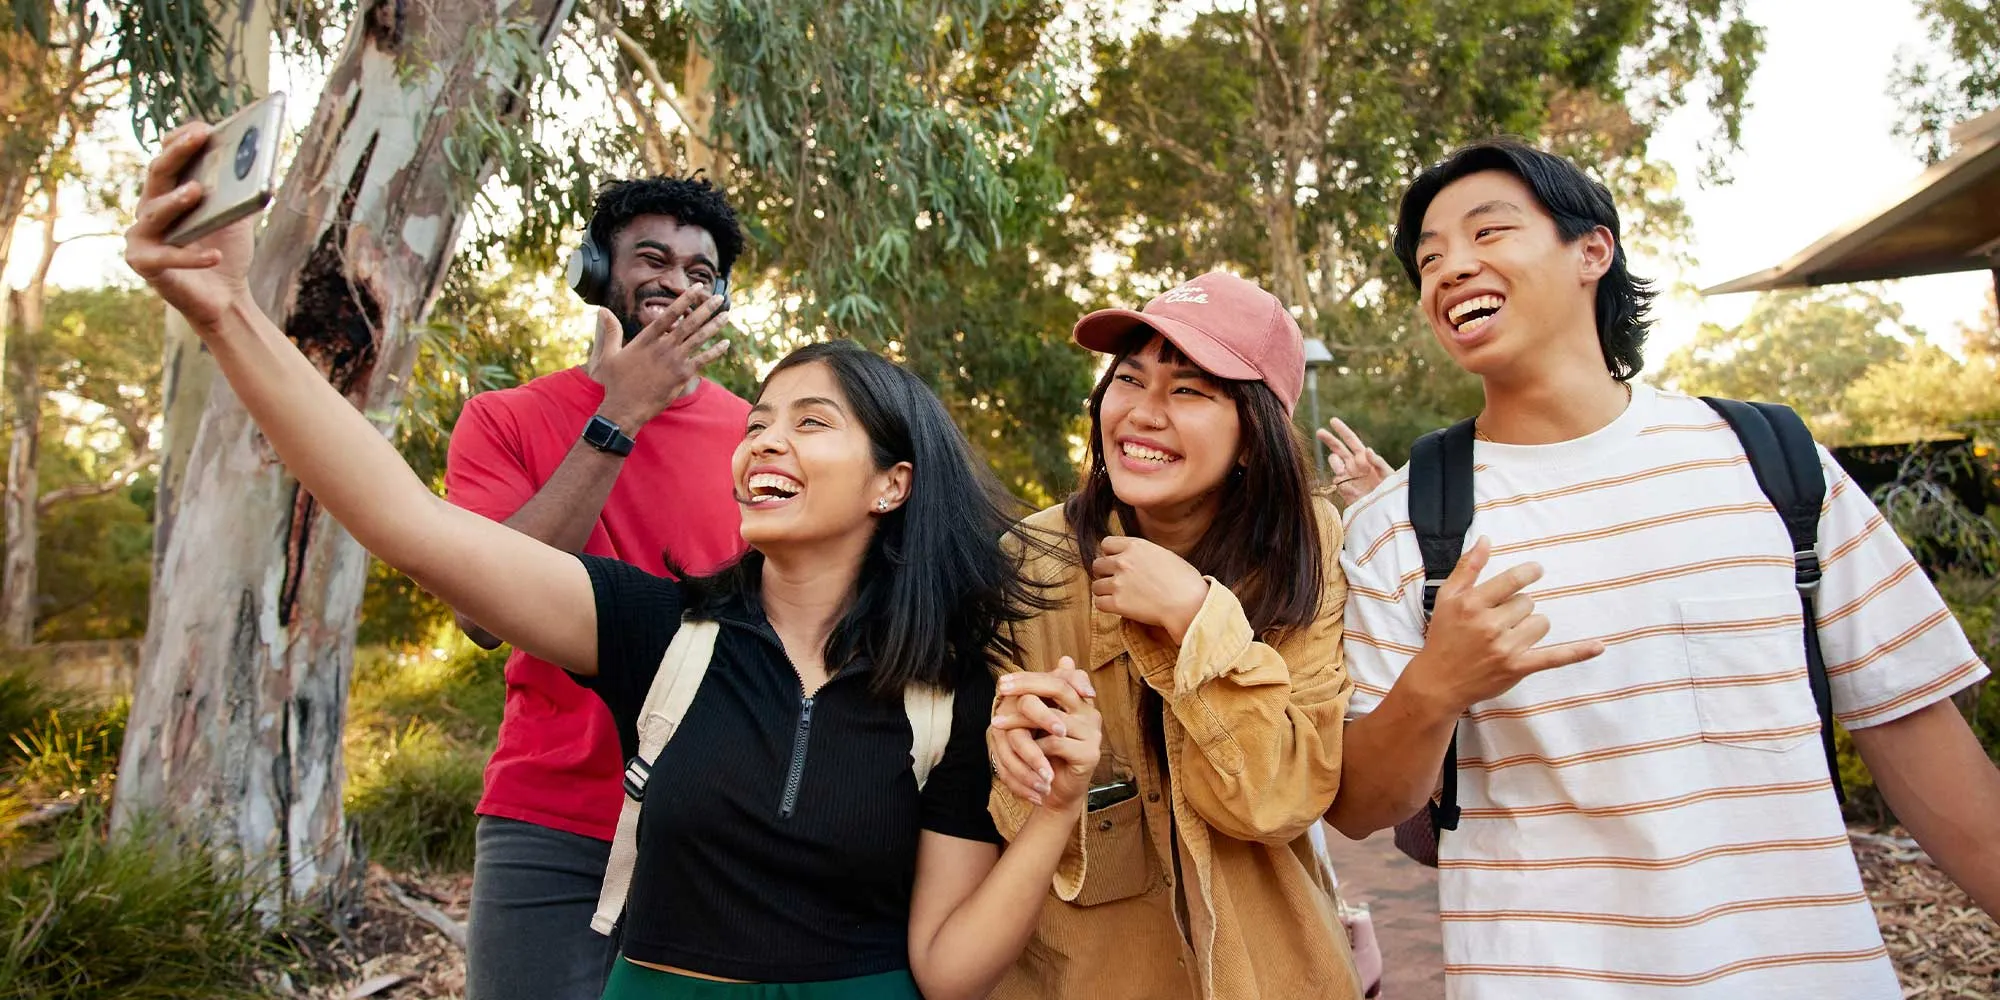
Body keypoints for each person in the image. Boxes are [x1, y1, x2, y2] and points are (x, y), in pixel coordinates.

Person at [126, 121, 1104, 1000]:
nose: (762, 443)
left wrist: (1056, 806)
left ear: (890, 484)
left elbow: (949, 967)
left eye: (810, 424)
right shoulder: (656, 626)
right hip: (570, 847)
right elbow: (405, 523)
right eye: (760, 423)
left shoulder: (947, 691)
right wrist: (229, 315)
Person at [1327, 137, 2000, 998]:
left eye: (1487, 234)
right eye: (1429, 259)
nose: (1451, 268)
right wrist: (1436, 686)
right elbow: (1359, 805)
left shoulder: (1775, 463)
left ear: (1592, 251)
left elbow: (1918, 744)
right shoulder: (1401, 524)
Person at [986, 271, 1367, 1000]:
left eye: (1189, 390)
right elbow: (1001, 812)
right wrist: (1013, 748)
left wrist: (1196, 619)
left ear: (1255, 435)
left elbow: (1275, 800)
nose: (1144, 414)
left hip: (1274, 975)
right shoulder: (1030, 563)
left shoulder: (1306, 547)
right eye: (1130, 380)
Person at [445, 176, 748, 1000]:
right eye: (651, 257)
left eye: (699, 269)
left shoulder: (761, 436)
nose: (676, 280)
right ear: (595, 272)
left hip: (717, 817)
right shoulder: (503, 420)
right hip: (551, 817)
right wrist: (620, 415)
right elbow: (481, 610)